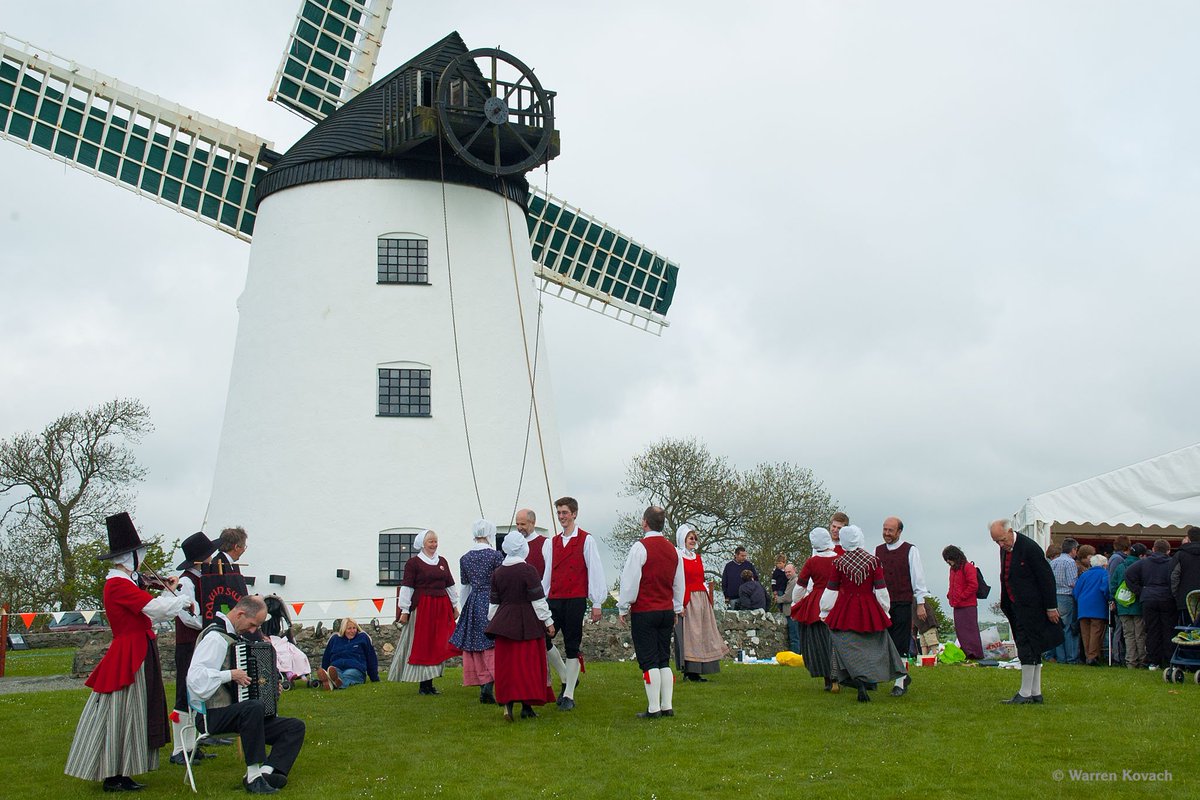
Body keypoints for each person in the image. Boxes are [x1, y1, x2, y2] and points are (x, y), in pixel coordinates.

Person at [65, 512, 194, 791]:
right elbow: (155, 609)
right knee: (122, 711)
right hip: (129, 651)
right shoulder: (117, 584)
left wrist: (167, 593)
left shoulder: (128, 582)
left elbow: (150, 610)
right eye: (139, 554)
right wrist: (181, 600)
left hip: (139, 647)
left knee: (135, 710)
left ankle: (123, 770)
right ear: (129, 557)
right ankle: (113, 774)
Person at [187, 595, 305, 794]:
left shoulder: (234, 637)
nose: (253, 631)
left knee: (294, 727)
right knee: (253, 707)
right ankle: (253, 777)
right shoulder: (215, 638)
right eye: (252, 624)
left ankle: (267, 772)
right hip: (213, 715)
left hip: (241, 715)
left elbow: (250, 683)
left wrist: (268, 689)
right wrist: (229, 675)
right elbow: (195, 680)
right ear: (240, 614)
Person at [820, 525, 906, 703]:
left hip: (846, 608)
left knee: (848, 644)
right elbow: (881, 588)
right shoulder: (873, 561)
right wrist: (884, 609)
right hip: (869, 606)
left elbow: (832, 589)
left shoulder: (839, 562)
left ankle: (859, 680)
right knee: (876, 644)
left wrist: (825, 609)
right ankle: (875, 677)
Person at [617, 506, 685, 719]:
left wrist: (623, 605)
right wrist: (676, 607)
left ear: (645, 521)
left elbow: (630, 581)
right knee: (663, 658)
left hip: (645, 610)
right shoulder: (674, 550)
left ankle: (654, 708)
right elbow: (678, 583)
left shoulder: (640, 547)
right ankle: (667, 705)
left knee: (649, 660)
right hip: (665, 610)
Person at [540, 496, 607, 711]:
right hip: (555, 599)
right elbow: (548, 573)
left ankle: (568, 695)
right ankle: (566, 676)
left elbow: (595, 570)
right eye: (559, 513)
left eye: (565, 513)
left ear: (574, 514)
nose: (562, 517)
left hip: (576, 599)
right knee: (542, 639)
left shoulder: (586, 540)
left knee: (572, 645)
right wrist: (542, 599)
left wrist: (597, 601)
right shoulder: (552, 543)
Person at [486, 532, 558, 721]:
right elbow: (538, 600)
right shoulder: (528, 571)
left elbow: (493, 603)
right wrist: (549, 622)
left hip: (504, 623)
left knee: (507, 666)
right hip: (528, 622)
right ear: (522, 548)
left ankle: (508, 706)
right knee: (528, 665)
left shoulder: (498, 572)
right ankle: (527, 707)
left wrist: (494, 621)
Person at [990, 519, 1062, 704]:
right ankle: (1034, 692)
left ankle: (1025, 693)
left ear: (1010, 531)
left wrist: (1051, 607)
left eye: (1002, 540)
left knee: (1028, 647)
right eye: (997, 541)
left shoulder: (1030, 548)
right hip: (1016, 606)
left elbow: (1046, 578)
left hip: (1032, 607)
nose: (1001, 544)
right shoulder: (1004, 550)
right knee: (1030, 647)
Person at [387, 529, 461, 694]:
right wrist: (404, 610)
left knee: (438, 643)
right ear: (422, 544)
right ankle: (423, 684)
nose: (434, 545)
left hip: (441, 606)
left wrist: (454, 606)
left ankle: (430, 682)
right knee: (423, 643)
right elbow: (407, 587)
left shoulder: (442, 561)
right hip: (422, 607)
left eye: (435, 541)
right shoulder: (413, 563)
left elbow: (449, 584)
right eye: (431, 542)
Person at [170, 531, 219, 765]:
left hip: (200, 641)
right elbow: (186, 614)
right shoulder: (186, 581)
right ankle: (178, 749)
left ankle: (192, 745)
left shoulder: (203, 578)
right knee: (183, 692)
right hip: (189, 642)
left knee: (197, 692)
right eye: (209, 555)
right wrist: (208, 626)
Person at [449, 519, 505, 703]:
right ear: (490, 534)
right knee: (491, 643)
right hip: (492, 600)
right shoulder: (496, 556)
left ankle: (483, 684)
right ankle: (489, 685)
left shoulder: (465, 558)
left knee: (476, 644)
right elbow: (500, 582)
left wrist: (464, 609)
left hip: (473, 602)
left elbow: (465, 586)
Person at [875, 517, 928, 696]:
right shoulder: (878, 551)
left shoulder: (910, 550)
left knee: (901, 642)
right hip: (883, 603)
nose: (886, 534)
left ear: (899, 532)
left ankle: (900, 681)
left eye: (890, 530)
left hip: (903, 601)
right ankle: (894, 675)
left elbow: (918, 578)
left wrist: (920, 604)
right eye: (885, 529)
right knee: (883, 640)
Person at [673, 523, 728, 682]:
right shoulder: (678, 557)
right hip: (688, 599)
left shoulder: (697, 557)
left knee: (703, 634)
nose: (693, 541)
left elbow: (701, 579)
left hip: (701, 599)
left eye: (694, 538)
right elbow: (677, 581)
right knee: (691, 636)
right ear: (682, 539)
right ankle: (689, 671)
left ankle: (701, 669)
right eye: (690, 538)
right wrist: (679, 603)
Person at [792, 528, 838, 690]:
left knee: (819, 642)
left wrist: (795, 603)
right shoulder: (839, 559)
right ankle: (837, 676)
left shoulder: (812, 562)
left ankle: (827, 678)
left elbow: (800, 586)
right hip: (837, 600)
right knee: (836, 640)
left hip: (817, 602)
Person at [1124, 539, 1177, 670]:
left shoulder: (1143, 563)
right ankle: (1169, 660)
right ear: (1168, 551)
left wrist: (1140, 591)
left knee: (1152, 630)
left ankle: (1154, 661)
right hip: (1167, 598)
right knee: (1168, 629)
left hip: (1148, 598)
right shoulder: (1172, 563)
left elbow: (1128, 575)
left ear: (1153, 549)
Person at [942, 545, 984, 660]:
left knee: (970, 630)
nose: (948, 562)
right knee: (961, 631)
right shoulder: (953, 570)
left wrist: (961, 596)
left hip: (968, 605)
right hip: (957, 605)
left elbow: (973, 585)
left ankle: (976, 653)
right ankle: (967, 652)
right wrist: (950, 595)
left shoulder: (967, 567)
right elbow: (952, 585)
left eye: (949, 559)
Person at [262, 595, 312, 688]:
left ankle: (302, 673)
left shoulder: (277, 635)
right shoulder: (263, 637)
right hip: (274, 646)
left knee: (297, 654)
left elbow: (281, 640)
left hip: (281, 642)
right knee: (283, 656)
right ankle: (289, 673)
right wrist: (266, 639)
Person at [1111, 543, 1148, 669]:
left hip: (1123, 606)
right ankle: (1142, 661)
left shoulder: (1120, 566)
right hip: (1138, 606)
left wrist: (1115, 601)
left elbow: (1113, 586)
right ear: (1142, 555)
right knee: (1140, 634)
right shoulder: (1143, 566)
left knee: (1128, 635)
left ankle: (1131, 661)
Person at [319, 617, 379, 689]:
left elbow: (371, 658)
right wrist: (324, 671)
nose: (352, 631)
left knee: (349, 674)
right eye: (349, 628)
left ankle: (332, 683)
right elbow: (326, 657)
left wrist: (374, 678)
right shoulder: (334, 639)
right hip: (337, 668)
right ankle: (332, 680)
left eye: (354, 628)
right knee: (335, 672)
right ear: (343, 629)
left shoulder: (363, 638)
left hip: (355, 668)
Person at [1049, 538, 1081, 664]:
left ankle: (1060, 657)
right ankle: (1071, 658)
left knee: (1058, 628)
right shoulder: (1070, 562)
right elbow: (1072, 583)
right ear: (1073, 550)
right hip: (1066, 596)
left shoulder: (1054, 562)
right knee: (1068, 628)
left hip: (1055, 596)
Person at [1074, 554, 1110, 666]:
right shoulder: (1104, 574)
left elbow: (1076, 591)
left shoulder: (1085, 574)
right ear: (1104, 565)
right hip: (1098, 607)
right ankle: (1092, 657)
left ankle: (1088, 655)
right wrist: (1110, 599)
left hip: (1083, 607)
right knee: (1096, 632)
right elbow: (1105, 589)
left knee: (1085, 633)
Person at [1171, 527, 1200, 624]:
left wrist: (1177, 595)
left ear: (1189, 538)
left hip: (1185, 600)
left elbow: (1174, 577)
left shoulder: (1180, 554)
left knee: (1188, 632)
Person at [782, 563, 800, 652]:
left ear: (794, 570)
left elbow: (787, 598)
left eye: (789, 572)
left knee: (794, 637)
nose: (787, 574)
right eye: (786, 572)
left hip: (792, 612)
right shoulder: (792, 581)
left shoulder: (794, 581)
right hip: (792, 612)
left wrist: (778, 599)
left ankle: (795, 656)